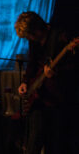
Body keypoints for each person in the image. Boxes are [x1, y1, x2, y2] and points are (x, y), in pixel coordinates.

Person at [15, 11, 79, 154]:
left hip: (58, 99)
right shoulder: (34, 41)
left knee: (55, 144)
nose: (30, 39)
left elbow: (74, 67)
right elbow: (32, 64)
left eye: (30, 35)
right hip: (39, 97)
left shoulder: (60, 36)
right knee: (33, 142)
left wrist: (57, 73)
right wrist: (25, 82)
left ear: (37, 29)